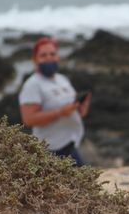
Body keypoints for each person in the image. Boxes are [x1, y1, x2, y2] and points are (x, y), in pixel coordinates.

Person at [19, 37, 91, 165]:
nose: (49, 58)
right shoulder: (33, 85)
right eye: (43, 55)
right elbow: (28, 119)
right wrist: (59, 113)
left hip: (69, 145)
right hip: (49, 150)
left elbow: (74, 112)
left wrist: (81, 108)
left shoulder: (62, 79)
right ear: (35, 60)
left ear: (58, 57)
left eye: (52, 54)